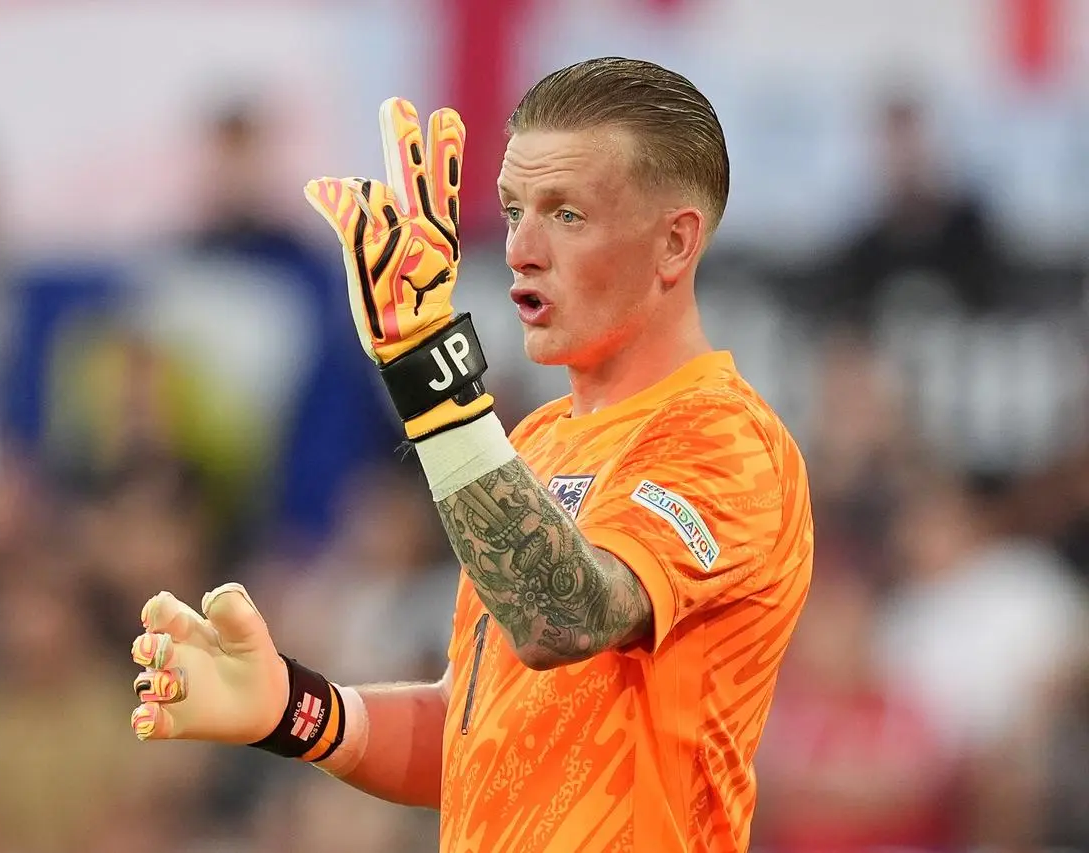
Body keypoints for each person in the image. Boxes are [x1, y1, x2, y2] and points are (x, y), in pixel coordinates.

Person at [129, 57, 815, 852]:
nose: (519, 248)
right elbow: (480, 737)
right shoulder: (532, 442)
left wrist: (431, 374)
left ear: (674, 241)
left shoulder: (729, 440)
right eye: (513, 208)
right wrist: (294, 707)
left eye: (565, 214)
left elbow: (563, 615)